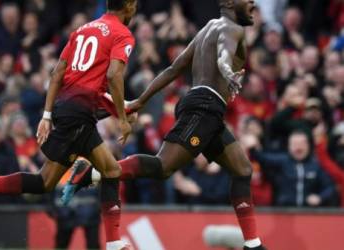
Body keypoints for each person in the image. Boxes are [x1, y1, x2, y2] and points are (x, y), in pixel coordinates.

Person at [65, 0, 266, 249]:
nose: (253, 2)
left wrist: (140, 101)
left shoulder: (206, 30)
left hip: (204, 107)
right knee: (163, 166)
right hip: (204, 107)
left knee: (243, 170)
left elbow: (173, 69)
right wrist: (226, 70)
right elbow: (225, 54)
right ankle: (94, 173)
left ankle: (253, 244)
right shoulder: (232, 27)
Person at [0, 1, 138, 249]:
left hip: (65, 108)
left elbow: (57, 73)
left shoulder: (82, 29)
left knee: (45, 182)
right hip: (80, 113)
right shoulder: (123, 34)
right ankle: (113, 242)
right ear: (129, 7)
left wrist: (46, 115)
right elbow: (113, 75)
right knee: (111, 171)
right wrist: (122, 118)